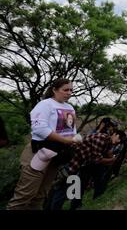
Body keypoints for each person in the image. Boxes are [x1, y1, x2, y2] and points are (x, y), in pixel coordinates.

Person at [7, 78, 79, 210]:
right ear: (54, 90)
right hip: (39, 153)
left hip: (57, 156)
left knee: (41, 195)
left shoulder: (70, 107)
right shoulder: (45, 104)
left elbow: (72, 129)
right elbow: (40, 129)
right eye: (65, 90)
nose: (69, 93)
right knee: (24, 195)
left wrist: (74, 139)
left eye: (71, 90)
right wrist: (66, 141)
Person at [49, 129, 126, 210]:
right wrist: (112, 160)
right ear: (114, 134)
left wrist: (113, 157)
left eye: (120, 141)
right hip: (72, 162)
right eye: (119, 138)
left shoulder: (107, 142)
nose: (118, 141)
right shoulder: (102, 139)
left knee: (65, 188)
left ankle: (71, 206)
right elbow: (97, 159)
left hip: (79, 164)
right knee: (62, 189)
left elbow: (108, 152)